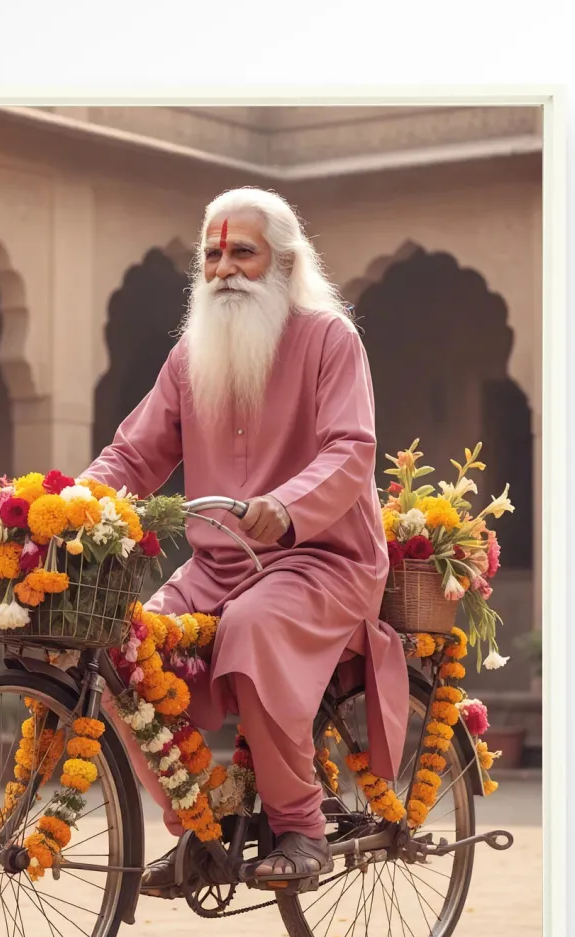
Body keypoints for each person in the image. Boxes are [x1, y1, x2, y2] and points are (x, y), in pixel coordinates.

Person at [78, 186, 409, 890]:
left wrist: (286, 506)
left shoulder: (330, 338)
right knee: (122, 650)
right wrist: (73, 504)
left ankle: (300, 825)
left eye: (243, 253)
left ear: (284, 264)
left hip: (323, 561)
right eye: (212, 255)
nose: (224, 269)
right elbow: (134, 456)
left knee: (253, 629)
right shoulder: (189, 357)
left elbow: (351, 449)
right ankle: (204, 827)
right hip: (217, 566)